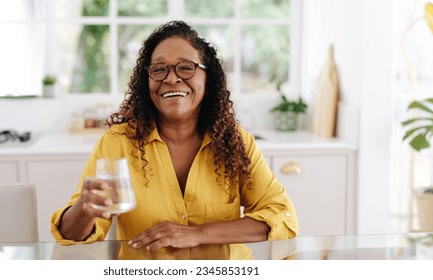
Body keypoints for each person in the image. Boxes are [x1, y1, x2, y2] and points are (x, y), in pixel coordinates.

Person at [50, 20, 298, 251]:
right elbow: (72, 236)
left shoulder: (236, 142)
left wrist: (198, 233)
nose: (171, 78)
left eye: (186, 68)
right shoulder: (118, 142)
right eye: (159, 69)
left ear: (207, 78)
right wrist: (85, 207)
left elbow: (282, 217)